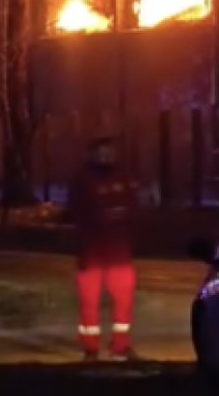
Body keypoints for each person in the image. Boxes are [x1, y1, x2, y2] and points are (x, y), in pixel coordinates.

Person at [68, 136, 137, 362]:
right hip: (92, 251)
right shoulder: (81, 181)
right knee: (89, 301)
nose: (106, 156)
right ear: (92, 155)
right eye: (101, 152)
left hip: (119, 252)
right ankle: (91, 347)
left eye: (110, 151)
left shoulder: (124, 178)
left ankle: (120, 345)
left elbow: (133, 210)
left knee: (124, 300)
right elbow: (75, 215)